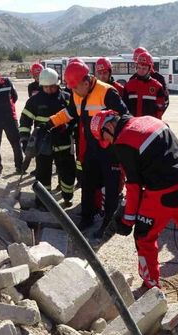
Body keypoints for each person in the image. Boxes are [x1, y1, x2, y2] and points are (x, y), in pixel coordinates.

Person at [89, 110, 178, 290]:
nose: (109, 143)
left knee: (144, 237)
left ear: (109, 126)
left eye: (105, 138)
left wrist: (127, 220)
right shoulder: (150, 120)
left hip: (164, 193)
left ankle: (151, 288)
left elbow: (133, 187)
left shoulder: (123, 141)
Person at [48, 60, 129, 238]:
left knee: (111, 187)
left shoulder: (107, 92)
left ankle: (108, 223)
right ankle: (87, 217)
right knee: (88, 183)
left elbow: (125, 117)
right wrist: (50, 123)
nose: (74, 92)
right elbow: (69, 113)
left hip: (110, 150)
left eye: (76, 88)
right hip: (91, 148)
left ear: (86, 81)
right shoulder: (78, 93)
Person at [19, 68, 76, 208]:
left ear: (57, 84)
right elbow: (25, 121)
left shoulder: (67, 98)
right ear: (41, 86)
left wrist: (69, 127)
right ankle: (43, 201)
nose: (50, 89)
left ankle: (67, 196)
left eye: (52, 86)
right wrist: (25, 140)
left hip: (63, 143)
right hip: (43, 144)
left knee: (67, 173)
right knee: (43, 174)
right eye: (46, 87)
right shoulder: (34, 100)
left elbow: (76, 118)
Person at [123, 52, 167, 119]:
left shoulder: (157, 86)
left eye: (144, 68)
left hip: (150, 125)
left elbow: (160, 108)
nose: (141, 71)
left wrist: (155, 122)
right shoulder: (129, 85)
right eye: (139, 68)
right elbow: (124, 106)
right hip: (133, 123)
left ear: (149, 69)